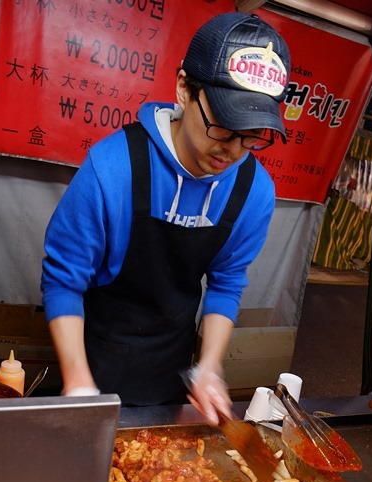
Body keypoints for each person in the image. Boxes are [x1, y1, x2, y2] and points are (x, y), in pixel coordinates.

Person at [41, 11, 291, 425]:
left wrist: (208, 367)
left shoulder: (254, 191)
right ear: (183, 90)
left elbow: (226, 285)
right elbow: (63, 280)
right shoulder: (112, 167)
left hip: (171, 362)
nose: (231, 150)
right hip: (95, 351)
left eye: (251, 135)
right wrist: (79, 383)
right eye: (223, 126)